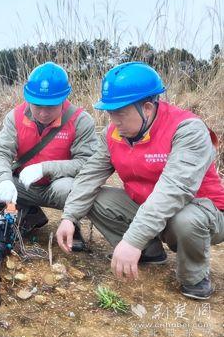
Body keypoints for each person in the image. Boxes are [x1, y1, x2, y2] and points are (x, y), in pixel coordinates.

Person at [56, 61, 224, 299]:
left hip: (202, 211)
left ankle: (194, 278)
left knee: (186, 219)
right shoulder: (114, 134)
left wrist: (132, 240)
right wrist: (70, 217)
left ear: (147, 107)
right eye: (110, 113)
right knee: (94, 198)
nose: (114, 121)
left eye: (120, 113)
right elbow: (90, 174)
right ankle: (150, 251)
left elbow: (175, 190)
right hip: (147, 204)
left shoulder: (187, 129)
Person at [0, 62, 98, 249]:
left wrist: (46, 168)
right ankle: (30, 213)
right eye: (37, 105)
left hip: (58, 185)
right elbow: (0, 152)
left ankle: (71, 224)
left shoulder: (81, 121)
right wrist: (4, 179)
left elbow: (88, 163)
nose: (43, 113)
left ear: (63, 99)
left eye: (50, 106)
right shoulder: (15, 116)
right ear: (28, 98)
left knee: (72, 188)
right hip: (24, 185)